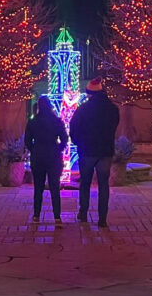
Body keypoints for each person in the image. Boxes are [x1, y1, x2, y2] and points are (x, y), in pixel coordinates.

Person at [69, 77, 120, 228]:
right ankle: (102, 218)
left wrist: (78, 142)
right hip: (105, 151)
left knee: (85, 182)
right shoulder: (112, 109)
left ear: (89, 93)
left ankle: (83, 213)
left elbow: (73, 127)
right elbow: (114, 127)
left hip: (87, 150)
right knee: (103, 184)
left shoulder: (83, 109)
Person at [24, 96, 68, 225]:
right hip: (53, 156)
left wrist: (34, 150)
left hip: (38, 156)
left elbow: (27, 141)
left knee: (38, 187)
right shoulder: (56, 121)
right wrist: (58, 149)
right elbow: (64, 138)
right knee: (55, 187)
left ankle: (37, 215)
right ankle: (57, 217)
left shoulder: (33, 122)